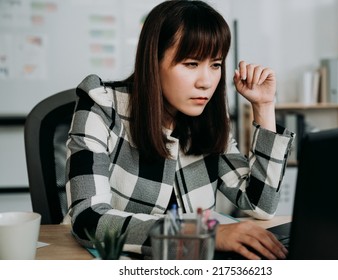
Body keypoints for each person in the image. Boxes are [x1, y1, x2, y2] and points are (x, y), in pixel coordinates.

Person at [64, 0, 294, 260]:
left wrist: (264, 106)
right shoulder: (102, 104)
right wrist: (200, 234)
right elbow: (88, 219)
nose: (206, 82)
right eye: (191, 64)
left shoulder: (208, 119)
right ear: (154, 61)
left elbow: (260, 206)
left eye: (216, 64)